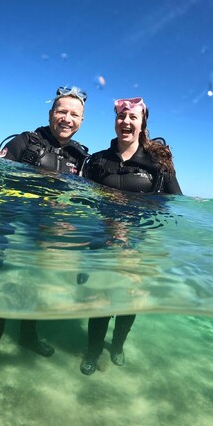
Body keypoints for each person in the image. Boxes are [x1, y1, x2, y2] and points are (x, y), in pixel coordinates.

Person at [0, 86, 89, 404]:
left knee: (34, 288)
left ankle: (28, 336)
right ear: (51, 113)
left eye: (74, 114)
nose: (67, 118)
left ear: (82, 120)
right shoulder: (23, 141)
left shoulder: (81, 155)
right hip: (8, 233)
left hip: (44, 237)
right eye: (61, 111)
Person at [80, 97, 182, 376]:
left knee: (128, 300)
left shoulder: (158, 164)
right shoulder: (98, 160)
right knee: (100, 301)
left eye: (132, 118)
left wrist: (143, 236)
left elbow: (175, 204)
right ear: (115, 121)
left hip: (138, 243)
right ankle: (92, 350)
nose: (126, 122)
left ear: (142, 124)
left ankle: (118, 346)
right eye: (121, 117)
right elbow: (82, 201)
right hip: (102, 241)